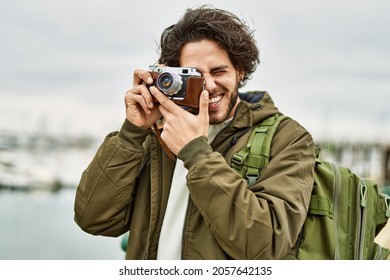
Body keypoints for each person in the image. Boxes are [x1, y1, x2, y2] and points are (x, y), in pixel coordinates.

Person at [74, 5, 316, 260]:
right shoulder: (157, 135)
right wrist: (132, 133)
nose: (209, 85)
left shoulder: (289, 139)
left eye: (219, 71)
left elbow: (265, 246)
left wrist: (196, 153)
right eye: (195, 75)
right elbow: (93, 218)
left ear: (240, 71)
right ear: (175, 74)